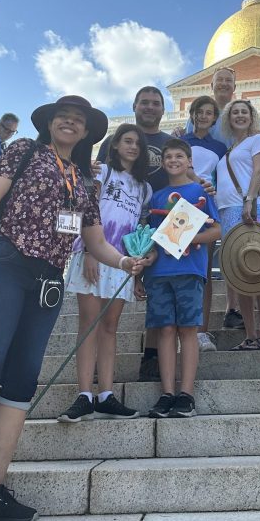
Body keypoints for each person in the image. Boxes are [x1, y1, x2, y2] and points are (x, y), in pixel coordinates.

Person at [0, 96, 147, 521]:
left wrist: (124, 263)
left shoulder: (84, 182)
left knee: (23, 378)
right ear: (49, 123)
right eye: (64, 115)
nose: (70, 122)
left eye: (79, 120)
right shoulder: (25, 150)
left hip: (48, 280)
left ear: (86, 133)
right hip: (5, 262)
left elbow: (95, 240)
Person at [59, 124, 152, 421]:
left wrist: (137, 273)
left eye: (138, 143)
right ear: (114, 145)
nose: (133, 147)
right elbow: (83, 209)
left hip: (122, 259)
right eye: (127, 141)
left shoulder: (144, 188)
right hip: (93, 252)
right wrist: (87, 250)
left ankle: (106, 394)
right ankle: (84, 394)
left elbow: (138, 230)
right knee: (88, 323)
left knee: (110, 327)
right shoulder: (101, 172)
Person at [140, 139, 220, 418]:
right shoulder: (157, 196)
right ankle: (166, 392)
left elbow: (217, 229)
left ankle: (186, 393)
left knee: (187, 330)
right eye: (168, 157)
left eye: (179, 156)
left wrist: (190, 237)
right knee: (164, 330)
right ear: (163, 163)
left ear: (189, 162)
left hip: (189, 270)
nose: (173, 160)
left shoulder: (199, 190)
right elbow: (150, 237)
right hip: (160, 271)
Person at [99, 86, 171, 382]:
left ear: (163, 109)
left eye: (156, 103)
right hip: (117, 226)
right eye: (145, 103)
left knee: (158, 292)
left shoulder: (169, 141)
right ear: (134, 105)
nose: (150, 107)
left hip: (158, 217)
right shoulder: (112, 141)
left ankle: (151, 357)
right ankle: (95, 362)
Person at [215, 99, 260, 350]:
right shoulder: (230, 149)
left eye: (244, 112)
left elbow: (259, 171)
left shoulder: (256, 139)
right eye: (235, 112)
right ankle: (250, 335)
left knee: (259, 267)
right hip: (228, 211)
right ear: (229, 119)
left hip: (248, 207)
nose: (239, 116)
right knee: (240, 273)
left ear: (252, 117)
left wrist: (249, 200)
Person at [186, 96, 228, 351]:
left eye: (208, 113)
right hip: (181, 204)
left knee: (204, 271)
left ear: (214, 118)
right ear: (192, 115)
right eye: (199, 112)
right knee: (182, 267)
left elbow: (223, 177)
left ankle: (202, 331)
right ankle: (182, 329)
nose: (203, 116)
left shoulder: (220, 147)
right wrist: (195, 179)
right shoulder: (180, 141)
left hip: (206, 206)